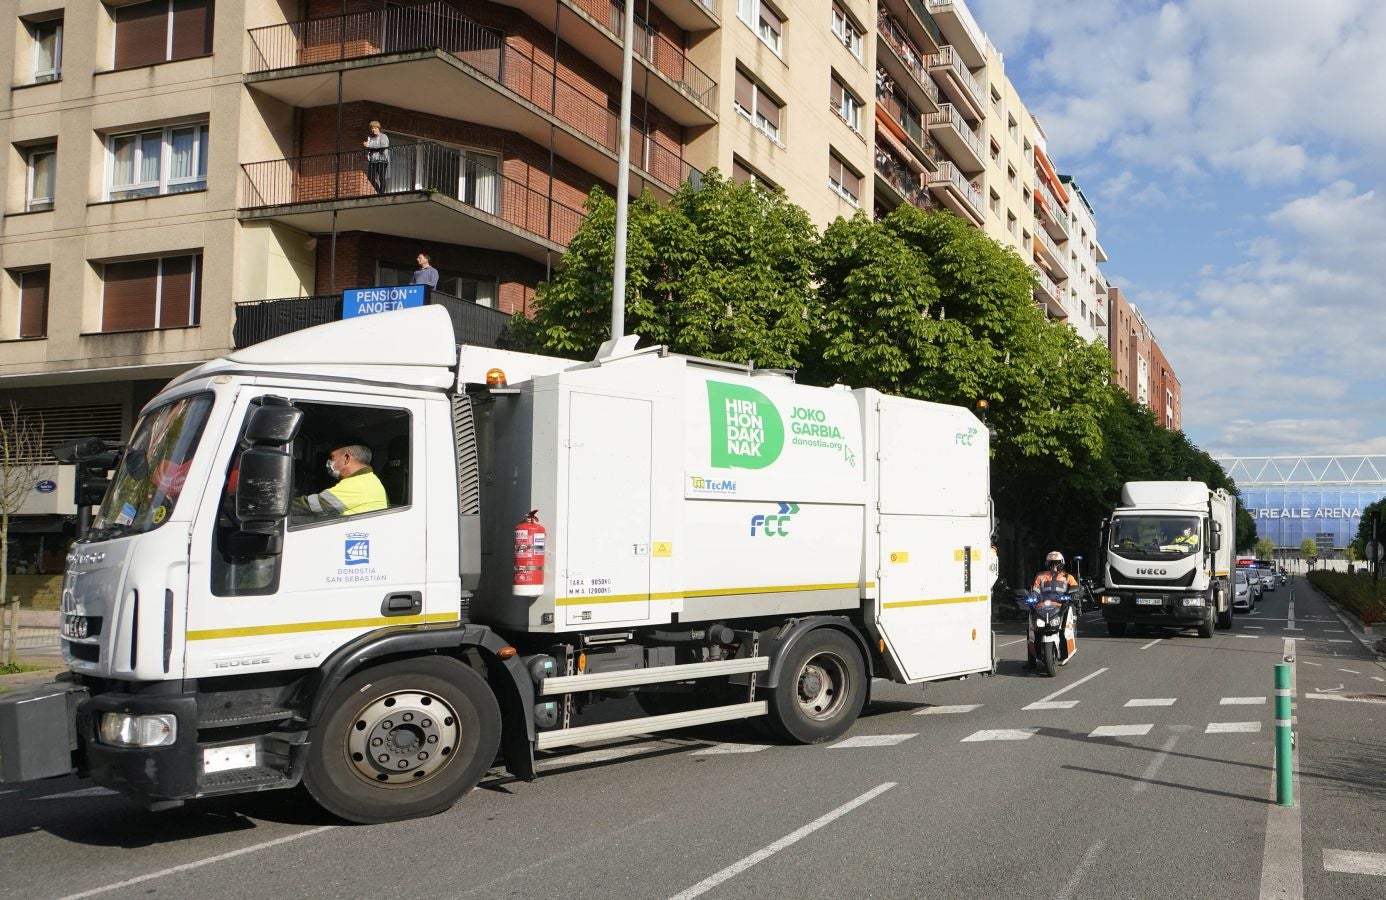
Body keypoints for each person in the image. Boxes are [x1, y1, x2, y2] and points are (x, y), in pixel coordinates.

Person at [291, 442, 387, 523]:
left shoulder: (358, 484)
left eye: (332, 458)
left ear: (346, 458)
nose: (328, 463)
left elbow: (313, 506)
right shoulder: (369, 479)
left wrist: (281, 504)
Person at [1025, 551, 1078, 668]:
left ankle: (1065, 649)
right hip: (1042, 606)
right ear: (1047, 563)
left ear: (1061, 563)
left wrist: (1073, 593)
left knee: (1066, 627)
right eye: (1051, 563)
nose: (1054, 566)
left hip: (1060, 606)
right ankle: (1031, 661)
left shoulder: (1068, 577)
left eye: (1057, 563)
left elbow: (1075, 587)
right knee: (1031, 628)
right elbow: (1035, 589)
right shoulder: (1040, 576)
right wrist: (1033, 596)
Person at [364, 121, 390, 195]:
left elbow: (383, 146)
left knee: (381, 177)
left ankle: (381, 193)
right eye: (372, 128)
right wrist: (366, 146)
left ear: (378, 128)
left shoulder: (383, 136)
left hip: (382, 160)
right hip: (372, 160)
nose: (373, 130)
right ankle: (379, 191)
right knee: (370, 177)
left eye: (375, 128)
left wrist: (370, 145)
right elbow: (370, 148)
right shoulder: (371, 138)